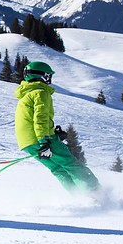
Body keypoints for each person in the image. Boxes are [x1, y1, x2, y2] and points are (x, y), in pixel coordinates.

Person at [14, 61, 100, 195]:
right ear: (41, 76)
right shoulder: (40, 93)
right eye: (48, 75)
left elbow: (31, 120)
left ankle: (79, 196)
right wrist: (44, 141)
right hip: (41, 139)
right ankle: (96, 192)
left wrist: (52, 133)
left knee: (57, 168)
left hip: (27, 142)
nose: (49, 79)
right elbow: (40, 118)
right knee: (71, 164)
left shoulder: (26, 94)